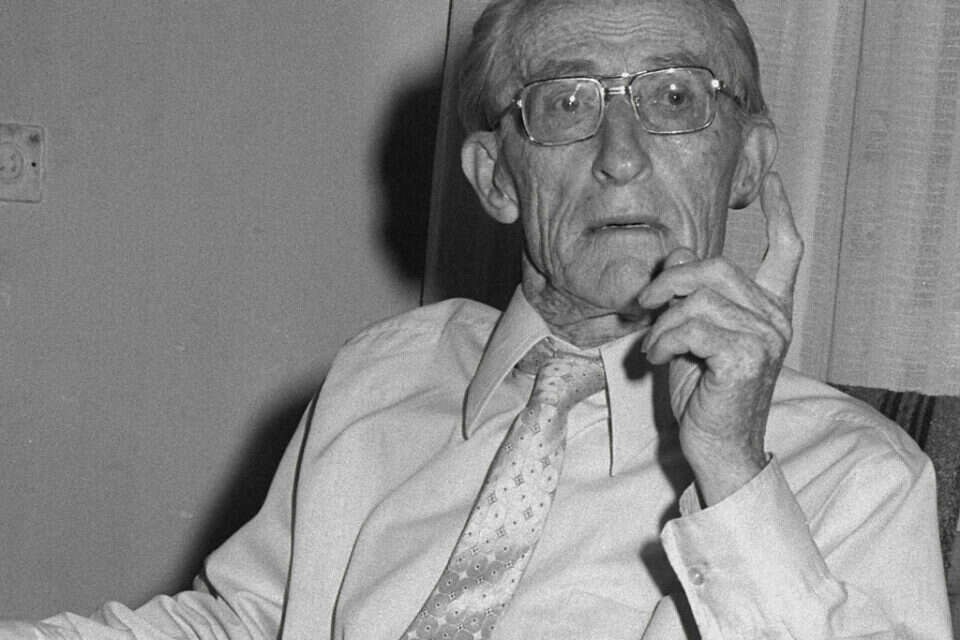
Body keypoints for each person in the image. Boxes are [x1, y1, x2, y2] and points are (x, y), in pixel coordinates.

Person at [1, 0, 952, 638]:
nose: (621, 155)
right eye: (566, 103)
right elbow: (249, 622)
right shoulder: (383, 375)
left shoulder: (858, 476)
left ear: (746, 163)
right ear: (496, 178)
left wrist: (733, 471)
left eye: (674, 98)